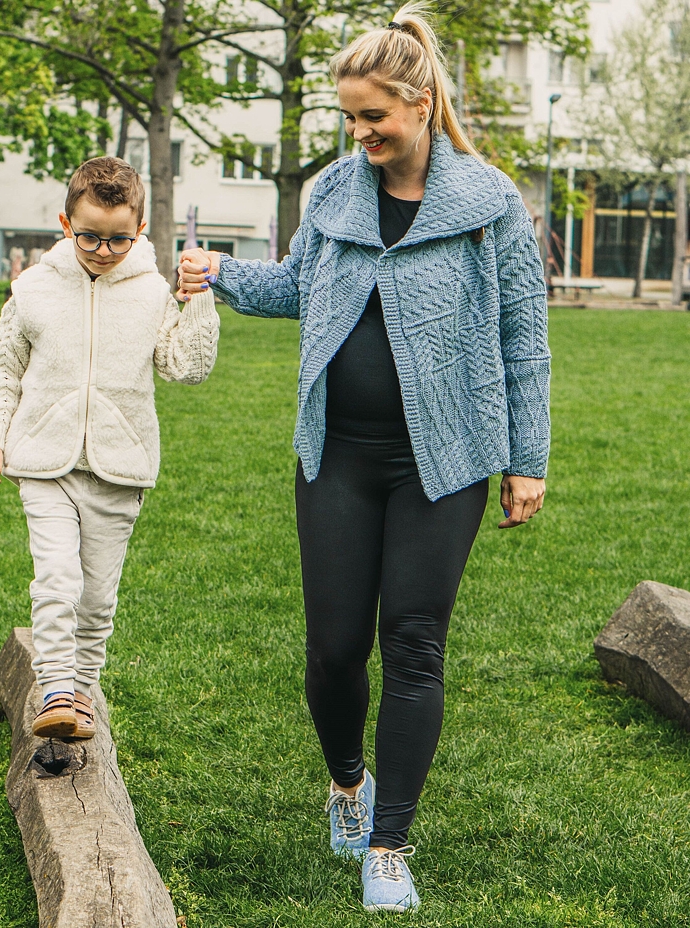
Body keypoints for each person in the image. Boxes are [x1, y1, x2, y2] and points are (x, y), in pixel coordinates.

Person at [177, 2, 548, 914]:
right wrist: (219, 272)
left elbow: (523, 337)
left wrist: (527, 458)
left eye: (373, 116)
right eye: (349, 117)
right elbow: (299, 290)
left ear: (420, 104)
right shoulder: (336, 192)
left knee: (414, 645)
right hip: (335, 455)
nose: (360, 132)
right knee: (335, 652)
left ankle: (392, 843)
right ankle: (349, 787)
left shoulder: (489, 202)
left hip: (446, 458)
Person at [0, 156, 219, 740]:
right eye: (89, 236)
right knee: (56, 577)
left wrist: (199, 299)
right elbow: (3, 369)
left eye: (117, 239)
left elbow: (189, 368)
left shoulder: (154, 293)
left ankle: (79, 694)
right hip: (43, 462)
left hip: (119, 466)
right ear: (65, 224)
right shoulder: (32, 289)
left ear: (139, 231)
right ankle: (54, 687)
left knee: (97, 594)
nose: (103, 250)